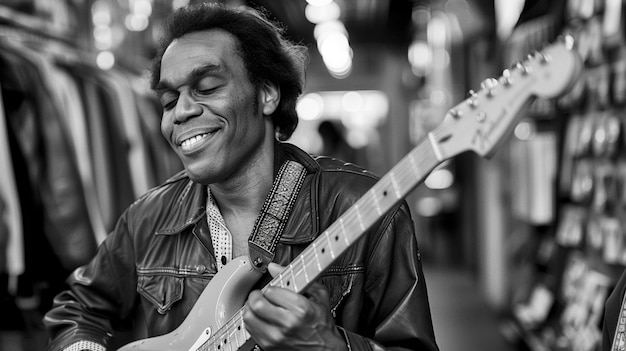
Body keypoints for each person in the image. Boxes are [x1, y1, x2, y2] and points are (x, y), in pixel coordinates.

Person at [43, 3, 439, 351]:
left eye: (207, 87)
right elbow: (79, 307)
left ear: (267, 94)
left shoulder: (365, 207)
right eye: (168, 100)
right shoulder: (148, 217)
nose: (179, 112)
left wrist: (328, 345)